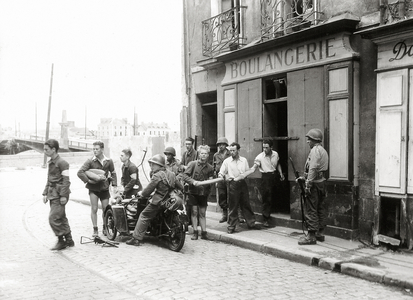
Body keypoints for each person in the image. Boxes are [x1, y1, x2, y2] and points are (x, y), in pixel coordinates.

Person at [126, 154, 183, 246]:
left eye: (153, 164)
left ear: (159, 165)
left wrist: (141, 194)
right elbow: (180, 186)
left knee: (144, 215)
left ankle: (136, 238)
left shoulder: (157, 176)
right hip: (169, 201)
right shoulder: (172, 174)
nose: (151, 166)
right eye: (151, 164)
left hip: (159, 201)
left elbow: (148, 190)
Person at [77, 141, 117, 237]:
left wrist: (114, 185)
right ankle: (95, 229)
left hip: (104, 188)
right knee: (94, 208)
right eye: (93, 149)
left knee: (105, 209)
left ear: (102, 149)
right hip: (93, 189)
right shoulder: (90, 161)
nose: (95, 151)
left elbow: (113, 172)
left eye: (97, 149)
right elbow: (80, 172)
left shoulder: (109, 161)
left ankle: (105, 227)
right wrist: (88, 181)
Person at [241, 140, 285, 227]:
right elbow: (254, 168)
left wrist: (280, 173)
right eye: (263, 147)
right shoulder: (259, 157)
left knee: (277, 194)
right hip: (266, 177)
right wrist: (243, 174)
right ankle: (265, 219)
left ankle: (277, 211)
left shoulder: (275, 154)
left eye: (266, 147)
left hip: (275, 175)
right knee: (266, 197)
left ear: (271, 147)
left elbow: (278, 164)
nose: (264, 149)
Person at [297, 128, 329, 245]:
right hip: (321, 182)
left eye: (309, 139)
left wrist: (307, 184)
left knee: (311, 209)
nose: (307, 141)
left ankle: (311, 236)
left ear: (315, 140)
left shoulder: (315, 151)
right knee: (320, 208)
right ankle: (320, 233)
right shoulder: (323, 150)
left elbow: (313, 168)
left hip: (314, 184)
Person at [42, 139, 74, 250]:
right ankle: (69, 240)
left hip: (60, 194)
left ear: (53, 149)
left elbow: (66, 181)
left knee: (53, 218)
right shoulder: (51, 162)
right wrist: (45, 192)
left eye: (46, 149)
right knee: (61, 217)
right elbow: (49, 178)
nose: (44, 151)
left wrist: (64, 196)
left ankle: (61, 241)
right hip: (53, 193)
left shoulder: (62, 163)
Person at [219, 142, 257, 234]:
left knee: (246, 203)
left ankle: (251, 223)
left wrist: (244, 175)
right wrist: (224, 177)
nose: (232, 152)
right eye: (230, 150)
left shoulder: (244, 160)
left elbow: (247, 171)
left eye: (234, 150)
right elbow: (221, 173)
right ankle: (231, 226)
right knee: (233, 206)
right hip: (233, 184)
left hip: (243, 184)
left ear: (238, 150)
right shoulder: (227, 161)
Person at [182, 145, 215, 240]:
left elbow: (211, 180)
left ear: (208, 155)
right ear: (199, 154)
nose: (203, 155)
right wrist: (193, 182)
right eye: (202, 153)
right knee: (194, 212)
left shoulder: (210, 168)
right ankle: (195, 232)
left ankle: (204, 233)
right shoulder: (192, 164)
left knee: (202, 213)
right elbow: (185, 176)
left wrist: (209, 184)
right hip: (193, 192)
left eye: (205, 153)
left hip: (203, 194)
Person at [213, 137, 231, 223]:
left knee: (231, 196)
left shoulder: (230, 153)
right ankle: (224, 214)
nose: (221, 146)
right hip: (220, 178)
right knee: (222, 196)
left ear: (226, 145)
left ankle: (233, 215)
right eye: (219, 145)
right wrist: (216, 180)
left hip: (229, 177)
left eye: (222, 144)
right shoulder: (216, 155)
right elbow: (214, 168)